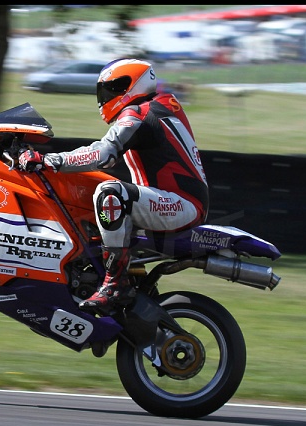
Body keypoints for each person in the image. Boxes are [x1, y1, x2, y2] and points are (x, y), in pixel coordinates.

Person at [18, 58, 208, 315]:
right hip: (175, 200)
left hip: (179, 203)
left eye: (112, 88)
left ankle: (115, 284)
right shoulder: (155, 107)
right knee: (102, 200)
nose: (104, 97)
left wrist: (48, 160)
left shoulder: (141, 112)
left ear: (131, 85)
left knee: (109, 193)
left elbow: (103, 154)